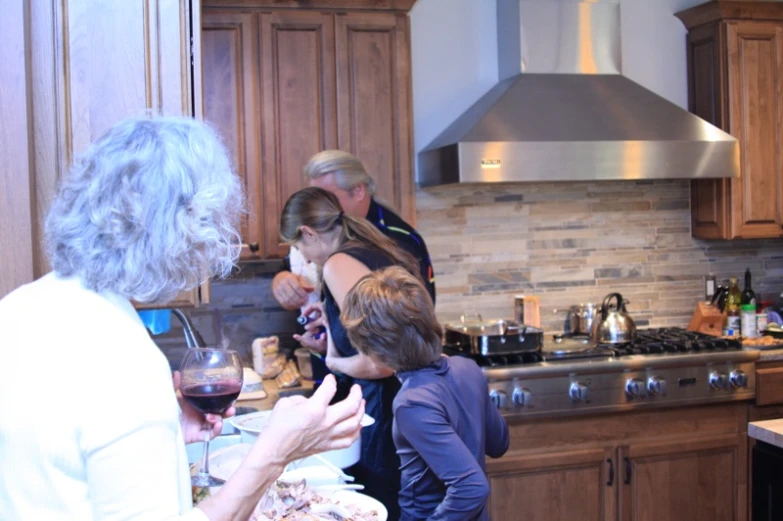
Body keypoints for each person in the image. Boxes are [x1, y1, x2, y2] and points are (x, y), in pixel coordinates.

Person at [0, 116, 365, 521]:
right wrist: (274, 453)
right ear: (184, 228)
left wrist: (167, 430)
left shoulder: (18, 309)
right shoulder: (123, 362)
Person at [279, 186, 423, 519]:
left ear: (308, 233)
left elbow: (381, 360)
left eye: (299, 246)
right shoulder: (370, 248)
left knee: (380, 508)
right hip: (411, 407)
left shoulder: (337, 264)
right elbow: (379, 333)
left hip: (386, 416)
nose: (304, 255)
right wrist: (333, 330)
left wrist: (333, 361)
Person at [341, 266, 511, 521]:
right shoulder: (466, 367)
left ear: (376, 351)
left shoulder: (412, 403)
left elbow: (472, 488)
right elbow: (499, 444)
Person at [272, 150, 435, 322]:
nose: (318, 207)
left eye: (327, 197)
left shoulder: (400, 239)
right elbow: (294, 261)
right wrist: (281, 279)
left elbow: (414, 319)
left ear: (358, 191)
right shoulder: (322, 231)